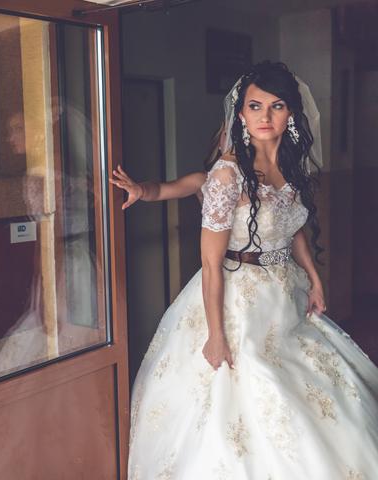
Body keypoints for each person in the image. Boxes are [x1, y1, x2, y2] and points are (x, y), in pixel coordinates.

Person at [113, 61, 378, 478]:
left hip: (285, 295)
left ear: (291, 114)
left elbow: (294, 231)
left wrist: (315, 279)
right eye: (255, 106)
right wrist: (216, 335)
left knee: (315, 388)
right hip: (238, 301)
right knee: (254, 389)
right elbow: (210, 262)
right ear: (241, 114)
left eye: (276, 106)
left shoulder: (292, 168)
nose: (265, 116)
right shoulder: (227, 174)